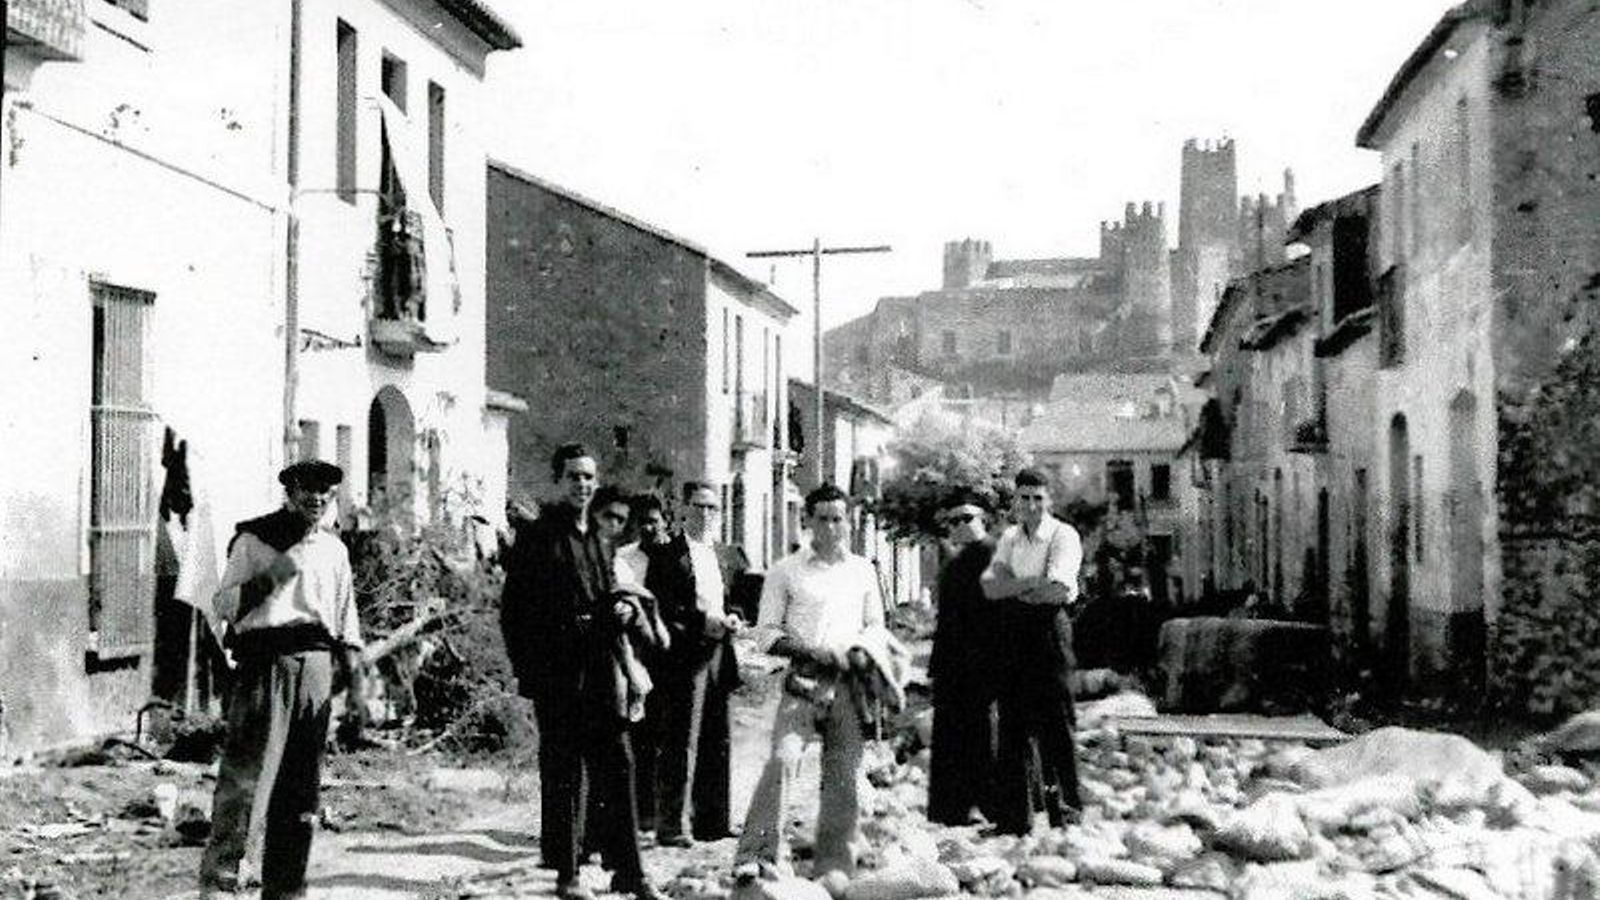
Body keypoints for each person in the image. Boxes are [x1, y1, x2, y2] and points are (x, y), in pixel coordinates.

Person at [499, 444, 662, 900]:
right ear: (558, 481)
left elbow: (608, 593)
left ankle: (629, 872)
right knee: (565, 772)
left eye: (588, 477)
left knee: (619, 763)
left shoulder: (599, 538)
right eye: (573, 476)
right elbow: (514, 612)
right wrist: (530, 672)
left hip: (601, 666)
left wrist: (625, 609)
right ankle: (568, 875)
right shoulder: (538, 537)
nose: (582, 485)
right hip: (558, 673)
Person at [199, 460, 366, 900]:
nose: (316, 498)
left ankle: (287, 887)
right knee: (247, 781)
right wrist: (271, 578)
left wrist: (358, 692)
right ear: (289, 492)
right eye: (307, 489)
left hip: (315, 670)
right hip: (266, 667)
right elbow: (223, 606)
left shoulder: (335, 551)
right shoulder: (254, 541)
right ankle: (220, 884)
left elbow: (347, 625)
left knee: (301, 789)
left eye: (325, 492)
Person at [736, 484, 885, 879]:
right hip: (803, 679)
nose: (832, 528)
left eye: (839, 519)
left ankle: (835, 865)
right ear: (807, 521)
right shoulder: (785, 571)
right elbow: (766, 632)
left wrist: (860, 651)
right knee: (783, 761)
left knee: (844, 775)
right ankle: (757, 854)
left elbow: (875, 627)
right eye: (823, 519)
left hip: (849, 682)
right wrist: (807, 652)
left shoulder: (863, 570)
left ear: (848, 522)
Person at [623, 486, 744, 846]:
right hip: (683, 656)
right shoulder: (668, 554)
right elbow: (661, 607)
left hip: (720, 651)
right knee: (681, 740)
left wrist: (733, 619)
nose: (705, 514)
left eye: (712, 507)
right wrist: (700, 621)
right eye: (698, 507)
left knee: (717, 737)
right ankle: (672, 825)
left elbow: (737, 600)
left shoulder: (727, 554)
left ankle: (713, 821)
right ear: (684, 511)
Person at [981, 467, 1084, 835]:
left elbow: (1057, 589)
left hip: (1049, 634)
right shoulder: (1010, 537)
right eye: (1024, 498)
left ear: (1049, 501)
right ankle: (1015, 820)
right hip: (1013, 636)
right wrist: (1028, 585)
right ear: (1015, 501)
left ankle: (1067, 816)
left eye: (1038, 498)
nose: (1031, 505)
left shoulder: (1063, 535)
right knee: (1013, 725)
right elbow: (992, 587)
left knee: (1056, 723)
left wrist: (1017, 588)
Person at [927, 487, 1001, 826]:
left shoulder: (997, 556)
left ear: (983, 519)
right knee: (951, 735)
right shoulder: (954, 563)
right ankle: (953, 808)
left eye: (967, 518)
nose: (959, 525)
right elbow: (945, 620)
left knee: (984, 736)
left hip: (984, 662)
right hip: (953, 664)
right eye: (953, 520)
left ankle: (989, 804)